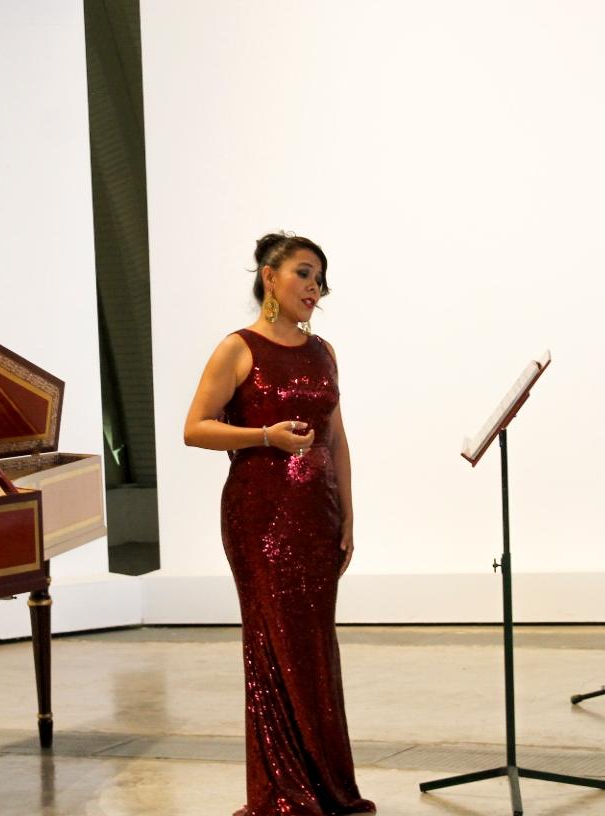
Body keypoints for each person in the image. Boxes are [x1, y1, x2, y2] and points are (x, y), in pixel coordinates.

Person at [183, 234, 374, 816]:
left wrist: (348, 513)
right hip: (260, 516)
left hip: (318, 515)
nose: (315, 288)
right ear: (270, 277)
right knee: (275, 645)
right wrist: (264, 436)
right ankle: (285, 790)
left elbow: (336, 437)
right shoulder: (238, 348)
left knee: (315, 648)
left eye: (320, 278)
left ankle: (325, 783)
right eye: (304, 273)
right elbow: (195, 427)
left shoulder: (324, 351)